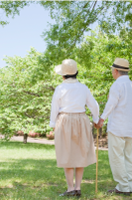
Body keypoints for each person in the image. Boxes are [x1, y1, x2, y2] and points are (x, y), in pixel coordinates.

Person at [49, 59, 99, 197]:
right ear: (76, 73)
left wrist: (53, 124)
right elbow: (94, 105)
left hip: (64, 119)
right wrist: (96, 119)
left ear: (63, 75)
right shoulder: (83, 88)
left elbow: (54, 108)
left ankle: (71, 188)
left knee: (67, 153)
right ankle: (77, 187)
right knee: (80, 152)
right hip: (81, 119)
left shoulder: (60, 88)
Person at [95, 58, 132, 196]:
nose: (112, 72)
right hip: (129, 127)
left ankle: (123, 187)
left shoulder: (117, 85)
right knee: (128, 156)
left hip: (117, 127)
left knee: (117, 157)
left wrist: (101, 119)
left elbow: (111, 104)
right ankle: (131, 185)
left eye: (113, 70)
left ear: (117, 71)